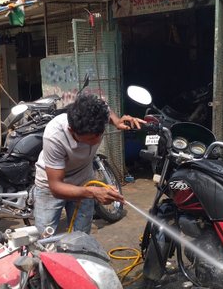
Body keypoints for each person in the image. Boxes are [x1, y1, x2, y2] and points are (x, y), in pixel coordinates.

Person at [33, 92, 145, 234]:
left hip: (83, 181)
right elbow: (56, 187)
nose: (97, 141)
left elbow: (106, 110)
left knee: (81, 238)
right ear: (71, 130)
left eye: (100, 134)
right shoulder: (55, 135)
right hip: (50, 187)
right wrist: (92, 192)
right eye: (91, 138)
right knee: (44, 239)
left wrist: (117, 121)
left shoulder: (97, 119)